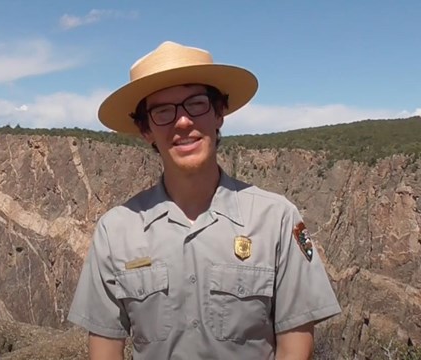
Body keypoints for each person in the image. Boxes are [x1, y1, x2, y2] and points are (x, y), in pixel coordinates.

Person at [67, 41, 342, 359]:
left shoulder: (277, 219)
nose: (183, 122)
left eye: (195, 104)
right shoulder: (115, 231)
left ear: (219, 113)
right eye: (162, 112)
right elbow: (104, 347)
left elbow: (296, 346)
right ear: (145, 130)